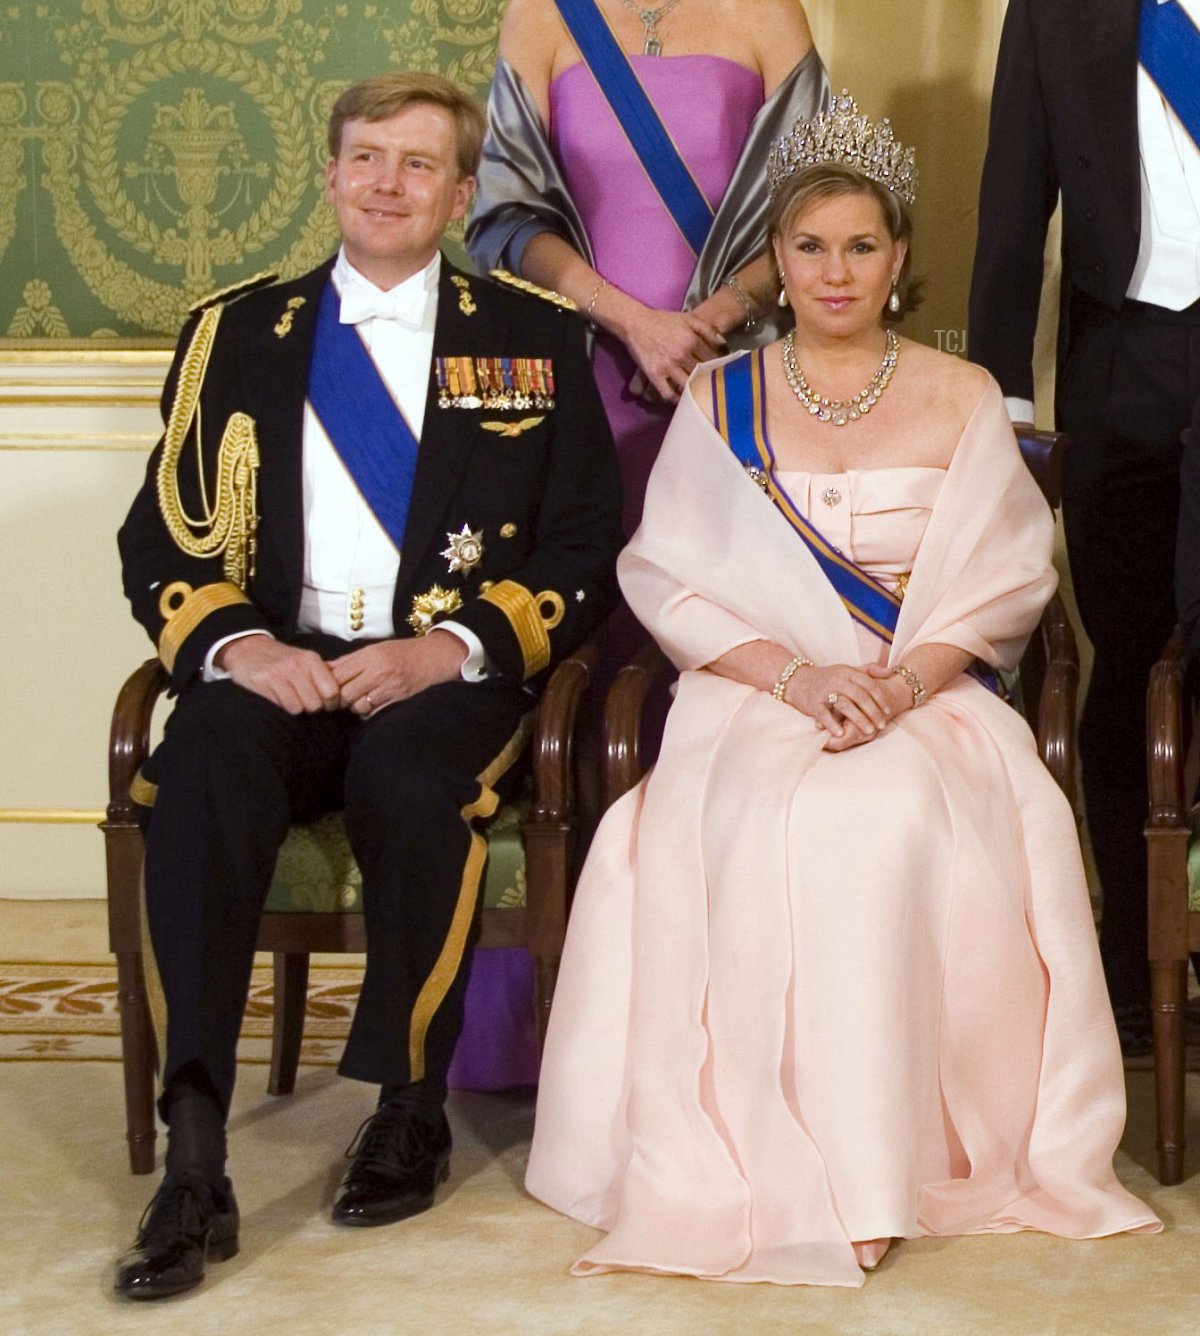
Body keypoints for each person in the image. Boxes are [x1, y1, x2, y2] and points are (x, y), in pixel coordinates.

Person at [525, 93, 1160, 1287]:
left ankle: (875, 1172)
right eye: (809, 247)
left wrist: (901, 682)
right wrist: (802, 676)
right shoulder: (721, 399)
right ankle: (777, 1162)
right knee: (756, 820)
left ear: (899, 257)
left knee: (884, 819)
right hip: (759, 692)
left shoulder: (964, 393)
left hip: (927, 696)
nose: (834, 270)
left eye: (860, 245)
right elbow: (667, 574)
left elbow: (1008, 577)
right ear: (775, 261)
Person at [113, 71, 622, 1300]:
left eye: (417, 163)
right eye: (365, 158)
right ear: (331, 175)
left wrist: (449, 651)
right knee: (198, 772)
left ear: (458, 191)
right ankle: (194, 1153)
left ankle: (408, 1102)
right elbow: (164, 541)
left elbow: (582, 547)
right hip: (279, 660)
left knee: (409, 778)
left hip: (439, 674)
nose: (387, 182)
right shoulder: (235, 331)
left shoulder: (533, 336)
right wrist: (243, 648)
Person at [968, 0, 1200, 1054]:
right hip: (1122, 376)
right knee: (1129, 659)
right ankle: (1131, 950)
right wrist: (1004, 408)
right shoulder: (1057, 12)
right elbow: (1012, 211)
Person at [468, 0, 827, 538]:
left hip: (734, 363)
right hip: (586, 369)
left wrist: (702, 328)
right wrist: (635, 324)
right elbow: (506, 213)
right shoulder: (540, 13)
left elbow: (820, 215)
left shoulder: (768, 12)